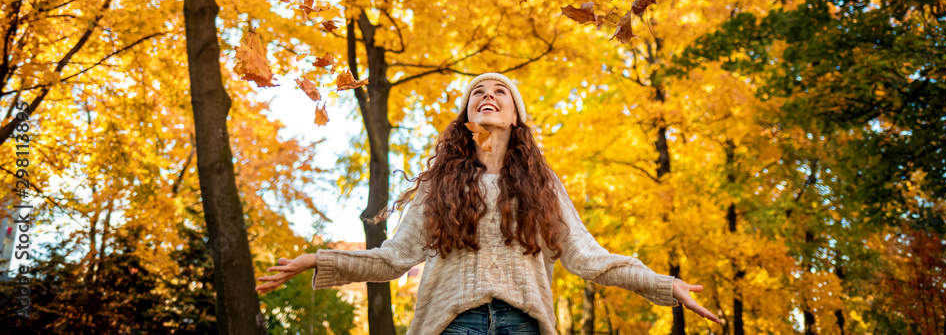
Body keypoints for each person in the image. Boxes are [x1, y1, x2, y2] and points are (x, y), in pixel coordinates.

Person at [256, 73, 722, 334]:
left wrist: (662, 284)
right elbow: (392, 260)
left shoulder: (543, 185)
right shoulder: (439, 184)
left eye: (500, 92)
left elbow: (588, 258)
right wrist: (317, 259)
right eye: (477, 92)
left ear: (516, 117)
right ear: (467, 116)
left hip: (524, 324)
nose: (488, 96)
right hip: (452, 324)